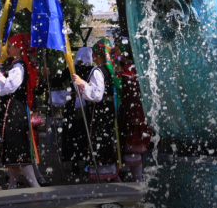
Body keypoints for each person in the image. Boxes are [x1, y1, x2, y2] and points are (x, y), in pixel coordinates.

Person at [0, 33, 42, 189]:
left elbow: (10, 86)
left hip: (16, 113)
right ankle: (12, 186)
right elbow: (3, 88)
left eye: (11, 46)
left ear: (19, 48)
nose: (8, 49)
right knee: (13, 152)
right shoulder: (15, 65)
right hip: (12, 112)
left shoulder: (19, 67)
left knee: (19, 150)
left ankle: (35, 187)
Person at [74, 38, 122, 183]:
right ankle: (113, 176)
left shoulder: (98, 71)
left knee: (99, 141)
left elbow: (97, 95)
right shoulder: (112, 70)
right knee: (107, 141)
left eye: (95, 53)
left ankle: (103, 177)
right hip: (108, 111)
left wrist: (81, 83)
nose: (93, 57)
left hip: (99, 113)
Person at [114, 37, 150, 182]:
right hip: (137, 113)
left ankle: (136, 181)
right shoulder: (137, 68)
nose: (116, 51)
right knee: (132, 148)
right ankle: (136, 180)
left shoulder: (126, 70)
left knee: (132, 147)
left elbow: (128, 94)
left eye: (118, 48)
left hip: (131, 113)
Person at [60, 47, 95, 176]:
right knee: (85, 133)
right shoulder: (91, 70)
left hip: (76, 105)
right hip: (86, 104)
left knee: (74, 134)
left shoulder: (72, 69)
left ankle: (76, 163)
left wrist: (67, 92)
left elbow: (56, 81)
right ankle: (85, 163)